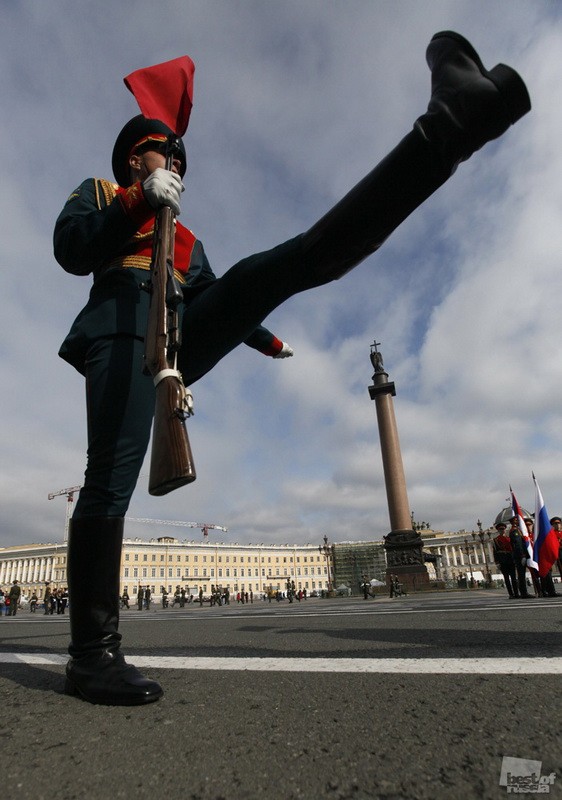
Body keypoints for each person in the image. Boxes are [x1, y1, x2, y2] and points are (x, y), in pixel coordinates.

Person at [53, 31, 530, 706]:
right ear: (137, 157)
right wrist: (136, 201)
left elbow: (218, 291)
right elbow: (71, 250)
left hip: (176, 338)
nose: (178, 168)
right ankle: (91, 655)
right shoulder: (101, 192)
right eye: (169, 155)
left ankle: (447, 130)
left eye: (181, 161)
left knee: (293, 259)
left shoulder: (186, 237)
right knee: (108, 482)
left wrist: (265, 337)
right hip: (121, 330)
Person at [508, 517, 535, 599]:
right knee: (521, 575)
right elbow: (518, 544)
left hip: (520, 555)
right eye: (516, 520)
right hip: (519, 556)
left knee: (522, 574)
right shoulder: (515, 531)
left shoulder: (517, 530)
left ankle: (524, 592)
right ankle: (524, 593)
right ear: (513, 522)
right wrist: (522, 555)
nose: (518, 522)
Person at [492, 523, 518, 598]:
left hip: (511, 560)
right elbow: (495, 552)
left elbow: (513, 549)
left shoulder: (509, 538)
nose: (502, 530)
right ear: (498, 530)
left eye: (503, 529)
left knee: (513, 578)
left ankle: (516, 593)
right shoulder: (496, 540)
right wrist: (497, 562)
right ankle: (511, 594)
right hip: (502, 560)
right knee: (506, 578)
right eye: (500, 529)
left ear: (505, 530)